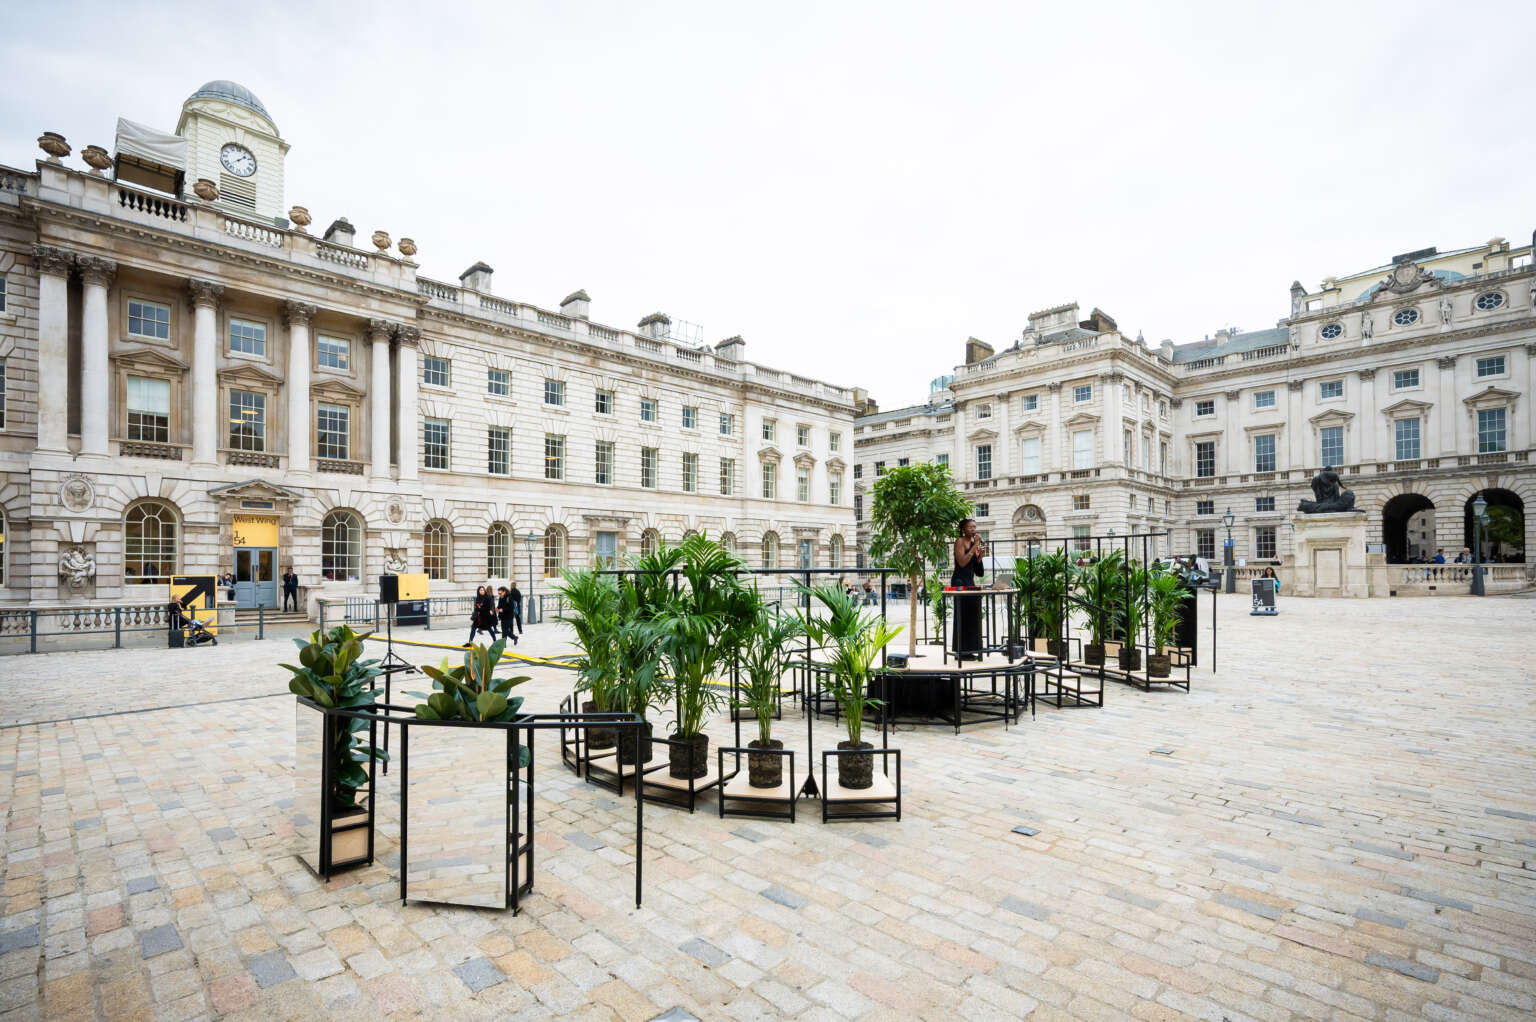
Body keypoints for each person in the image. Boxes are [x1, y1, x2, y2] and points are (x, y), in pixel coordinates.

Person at [951, 518, 985, 661]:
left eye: (974, 527)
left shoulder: (973, 544)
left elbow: (979, 572)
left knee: (973, 616)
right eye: (970, 527)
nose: (973, 529)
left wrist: (980, 557)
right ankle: (961, 651)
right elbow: (962, 562)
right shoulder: (959, 541)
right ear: (963, 529)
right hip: (959, 581)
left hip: (970, 582)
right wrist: (975, 546)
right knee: (963, 616)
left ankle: (972, 649)